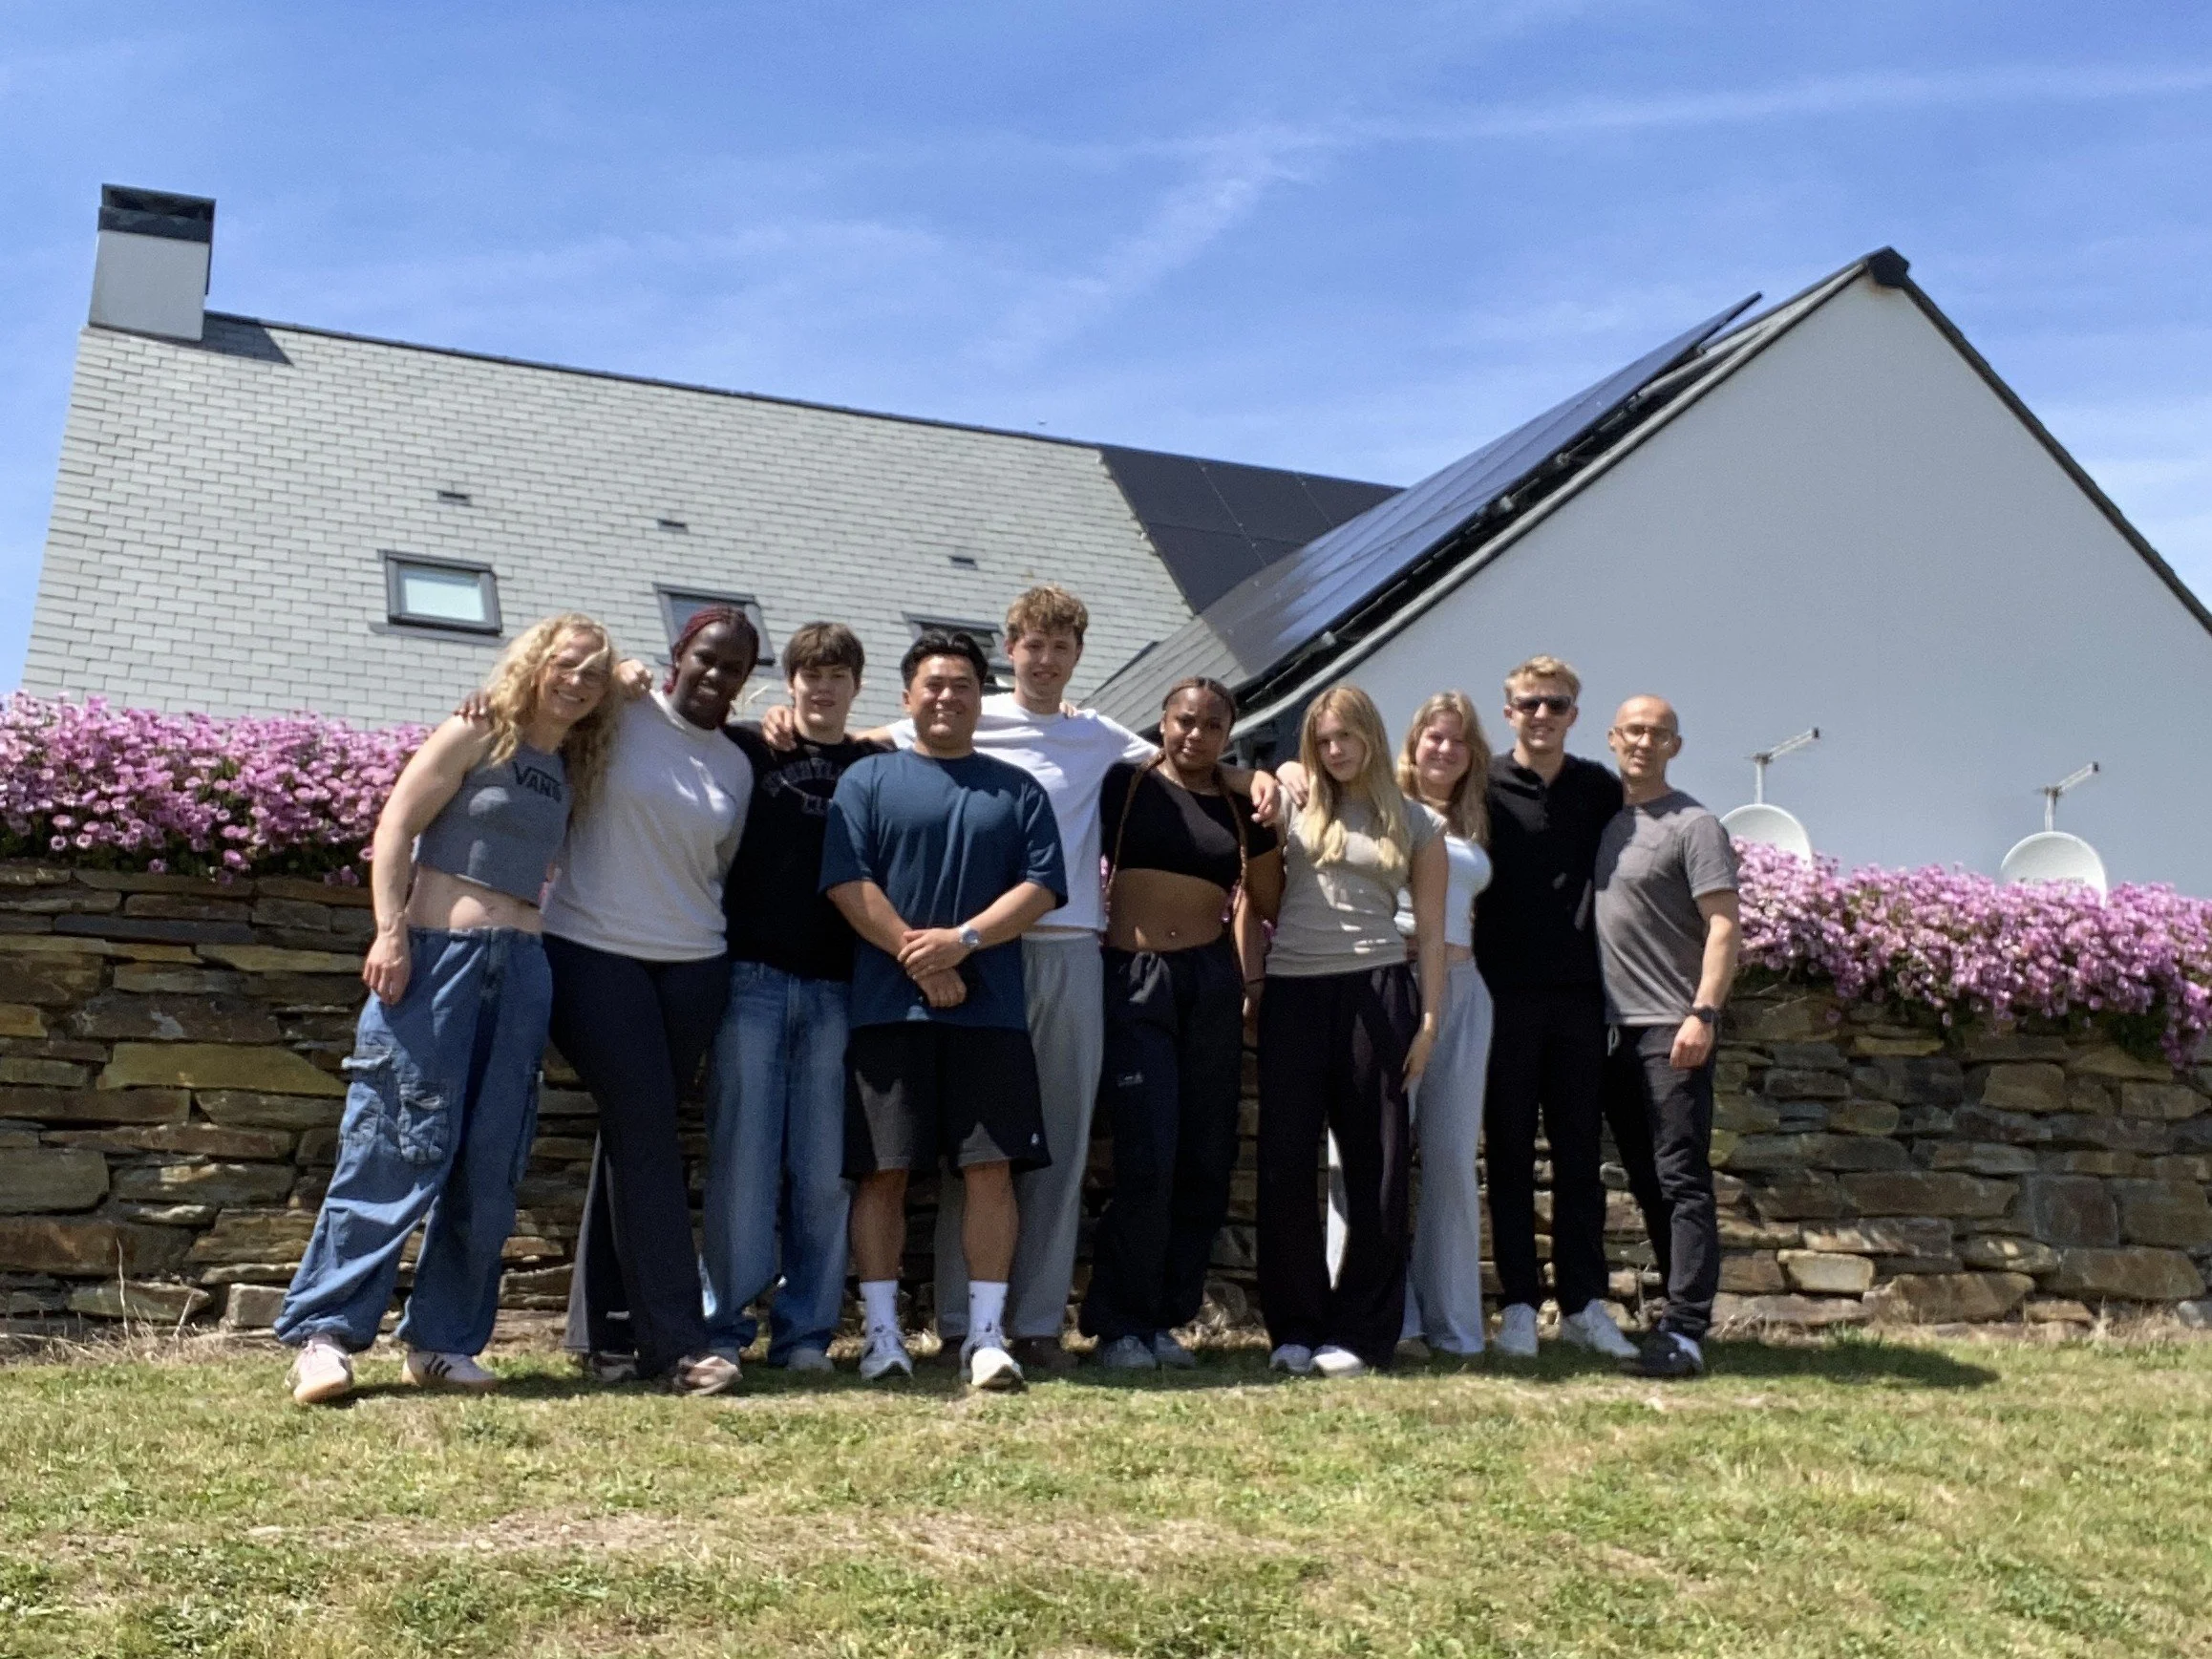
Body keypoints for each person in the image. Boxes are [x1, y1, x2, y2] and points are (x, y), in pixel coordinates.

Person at [767, 585, 1272, 1372]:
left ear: (1077, 656)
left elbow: (1184, 762)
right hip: (966, 956)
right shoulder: (962, 706)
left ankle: (1034, 1319)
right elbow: (853, 739)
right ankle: (961, 1321)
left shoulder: (1097, 735)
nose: (1045, 659)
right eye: (1033, 645)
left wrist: (1263, 777)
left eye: (1061, 646)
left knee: (1056, 1146)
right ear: (1011, 651)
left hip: (1065, 949)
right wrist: (778, 720)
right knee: (968, 1147)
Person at [277, 614, 619, 1405]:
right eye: (567, 664)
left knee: (490, 1161)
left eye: (594, 673)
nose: (578, 681)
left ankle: (441, 1342)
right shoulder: (478, 730)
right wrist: (389, 931)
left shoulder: (572, 761)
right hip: (439, 960)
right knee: (392, 1143)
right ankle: (324, 1336)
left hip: (522, 971)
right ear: (535, 661)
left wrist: (626, 675)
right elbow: (396, 824)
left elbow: (637, 691)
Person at [821, 629, 1068, 1391]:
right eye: (933, 684)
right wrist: (921, 959)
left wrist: (962, 942)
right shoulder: (866, 780)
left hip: (990, 1016)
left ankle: (985, 1337)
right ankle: (883, 1337)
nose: (947, 696)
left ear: (978, 699)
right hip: (887, 1013)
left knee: (991, 1171)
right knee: (883, 1173)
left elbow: (1042, 886)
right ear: (907, 696)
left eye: (962, 684)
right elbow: (848, 882)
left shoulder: (1017, 789)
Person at [545, 606, 759, 1395]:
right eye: (706, 657)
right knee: (647, 1129)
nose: (716, 674)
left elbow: (719, 866)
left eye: (733, 666)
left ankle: (604, 1333)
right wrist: (616, 674)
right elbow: (543, 701)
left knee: (634, 1133)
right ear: (678, 653)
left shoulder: (736, 765)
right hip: (592, 952)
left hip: (694, 966)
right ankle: (676, 1346)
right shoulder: (620, 712)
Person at [701, 623, 890, 1372]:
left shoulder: (875, 763)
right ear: (789, 682)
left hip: (839, 987)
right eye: (810, 674)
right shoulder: (753, 746)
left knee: (822, 1171)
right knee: (742, 1164)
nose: (823, 687)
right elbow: (666, 719)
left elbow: (946, 727)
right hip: (751, 978)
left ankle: (806, 1333)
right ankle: (724, 1328)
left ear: (857, 685)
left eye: (838, 675)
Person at [1078, 677, 1283, 1371]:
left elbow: (1268, 896)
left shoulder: (1242, 804)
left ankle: (1167, 1316)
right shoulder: (1123, 785)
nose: (1195, 735)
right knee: (1147, 1153)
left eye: (1211, 725)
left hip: (1210, 983)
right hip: (1135, 978)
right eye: (1184, 721)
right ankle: (1119, 1324)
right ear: (1162, 722)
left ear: (1229, 732)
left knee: (1204, 1155)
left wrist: (1261, 783)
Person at [1255, 685, 1447, 1378]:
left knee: (1379, 1167)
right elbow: (1250, 848)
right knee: (1284, 1162)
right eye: (1323, 740)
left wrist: (1429, 1023)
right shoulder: (1296, 800)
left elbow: (1431, 934)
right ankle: (1294, 1327)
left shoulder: (1418, 821)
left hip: (1379, 989)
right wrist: (1276, 772)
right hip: (1293, 990)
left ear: (1371, 734)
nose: (1335, 750)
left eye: (1346, 737)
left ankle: (1362, 1332)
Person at [1477, 656, 1639, 1362]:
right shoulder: (1479, 784)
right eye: (1529, 703)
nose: (1541, 714)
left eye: (1556, 704)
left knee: (1579, 1155)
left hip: (1579, 996)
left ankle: (1582, 1304)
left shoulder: (1599, 789)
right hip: (1500, 994)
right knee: (1508, 1152)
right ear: (1508, 711)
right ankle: (1518, 1304)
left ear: (1575, 714)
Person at [1595, 695, 1740, 1380]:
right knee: (1647, 1178)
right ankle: (1671, 1320)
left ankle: (1685, 1330)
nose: (1644, 742)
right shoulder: (1603, 820)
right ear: (1613, 738)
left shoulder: (1695, 824)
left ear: (1674, 746)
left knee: (1681, 1177)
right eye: (1633, 730)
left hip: (1669, 1025)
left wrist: (1702, 1013)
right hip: (1608, 1030)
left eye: (1658, 733)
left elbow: (1723, 924)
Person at [1393, 691, 1497, 1356]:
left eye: (1458, 740)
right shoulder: (1385, 807)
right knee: (1375, 1156)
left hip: (1464, 988)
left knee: (1454, 1161)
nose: (1445, 749)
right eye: (1434, 736)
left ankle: (1453, 1323)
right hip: (1396, 982)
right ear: (1414, 743)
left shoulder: (1474, 818)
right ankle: (1388, 1318)